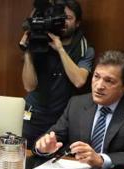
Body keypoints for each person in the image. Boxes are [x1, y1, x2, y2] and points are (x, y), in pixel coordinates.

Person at [34, 50, 124, 169]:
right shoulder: (77, 104)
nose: (99, 86)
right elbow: (53, 137)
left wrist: (101, 160)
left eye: (109, 81)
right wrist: (43, 147)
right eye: (96, 77)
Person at [20, 0, 94, 148]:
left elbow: (79, 81)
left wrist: (60, 48)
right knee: (28, 158)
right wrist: (28, 53)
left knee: (58, 161)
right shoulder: (40, 41)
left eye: (68, 18)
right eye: (60, 17)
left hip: (63, 118)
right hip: (35, 114)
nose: (63, 22)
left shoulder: (83, 47)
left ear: (78, 23)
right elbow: (29, 86)